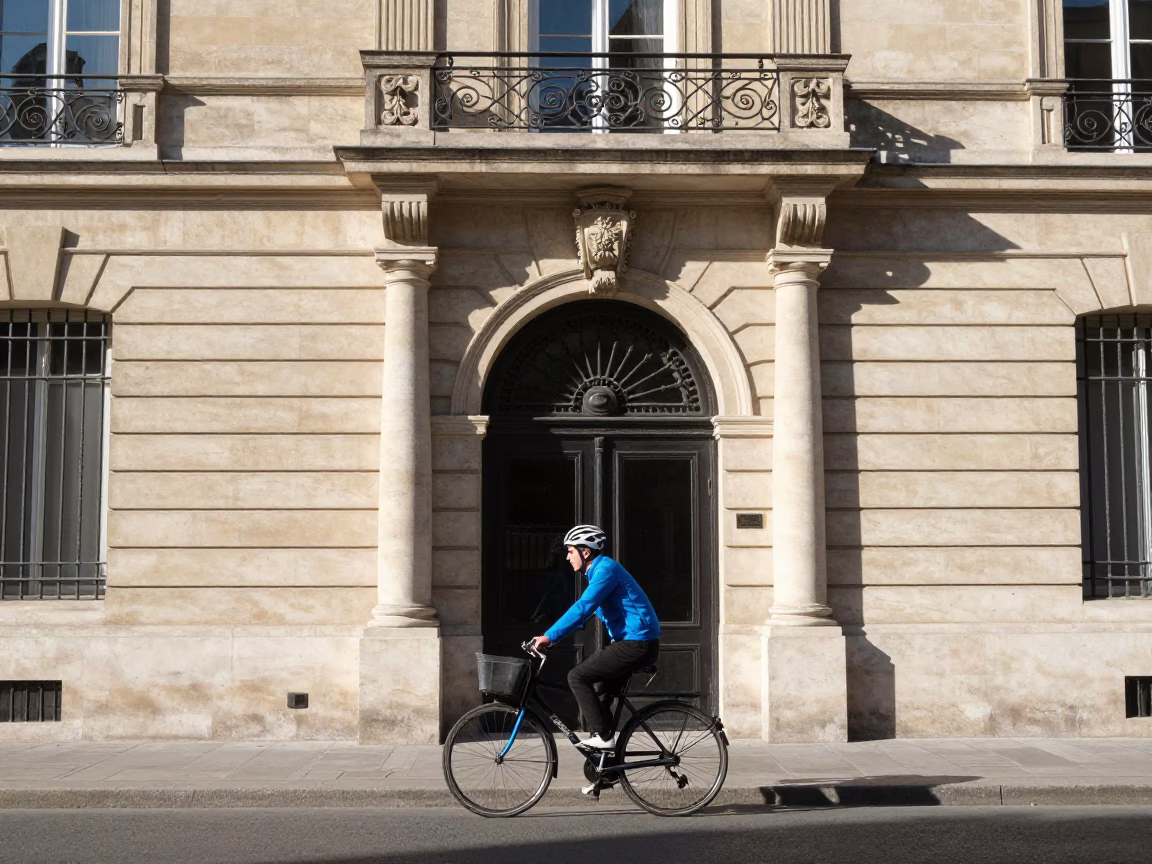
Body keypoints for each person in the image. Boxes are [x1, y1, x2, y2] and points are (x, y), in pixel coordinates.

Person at [530, 524, 660, 750]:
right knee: (600, 699)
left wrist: (548, 637)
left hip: (637, 643)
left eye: (571, 551)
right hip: (633, 642)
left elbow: (583, 607)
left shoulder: (605, 571)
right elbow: (585, 614)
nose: (568, 557)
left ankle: (604, 738)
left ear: (585, 552)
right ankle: (605, 771)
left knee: (577, 677)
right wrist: (552, 633)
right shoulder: (600, 572)